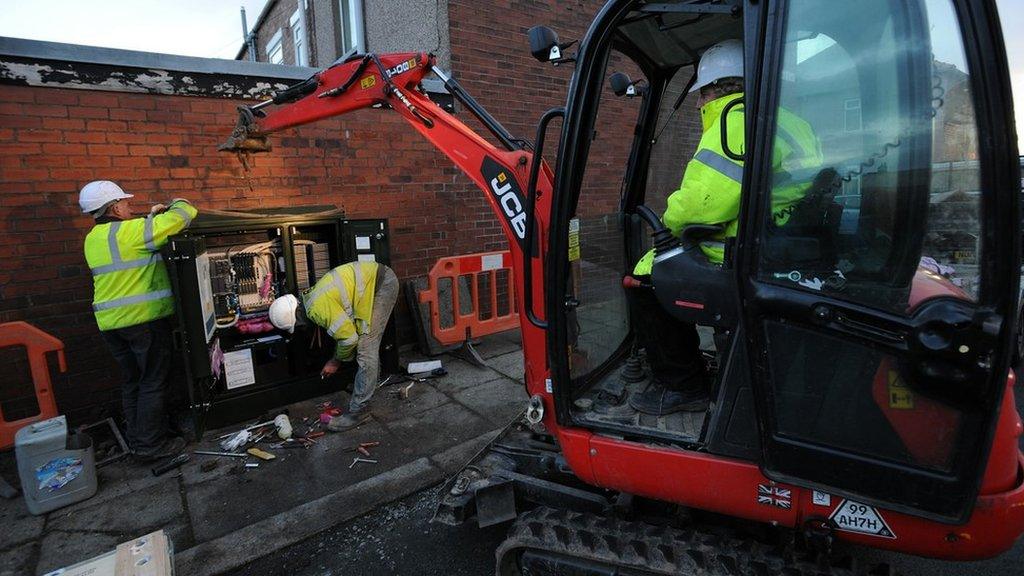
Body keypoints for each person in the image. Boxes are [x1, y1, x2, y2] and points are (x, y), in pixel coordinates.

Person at [627, 39, 822, 416]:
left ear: (718, 87)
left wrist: (669, 216)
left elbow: (707, 204)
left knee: (644, 278)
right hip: (780, 243)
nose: (700, 103)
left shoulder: (735, 118)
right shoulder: (789, 119)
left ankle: (683, 386)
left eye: (702, 94)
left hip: (742, 254)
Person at [80, 180, 198, 461]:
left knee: (134, 382)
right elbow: (186, 213)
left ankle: (138, 439)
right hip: (142, 323)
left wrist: (150, 219)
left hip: (111, 325)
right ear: (115, 207)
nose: (129, 207)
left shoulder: (92, 239)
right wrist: (173, 203)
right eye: (126, 203)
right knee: (154, 382)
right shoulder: (133, 232)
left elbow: (130, 244)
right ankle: (150, 446)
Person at [268, 261, 399, 432]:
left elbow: (349, 339)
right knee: (364, 344)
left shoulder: (317, 310)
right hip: (375, 281)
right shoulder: (309, 298)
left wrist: (335, 361)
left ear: (296, 320)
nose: (302, 327)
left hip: (382, 285)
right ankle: (366, 385)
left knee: (366, 348)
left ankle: (359, 411)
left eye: (298, 325)